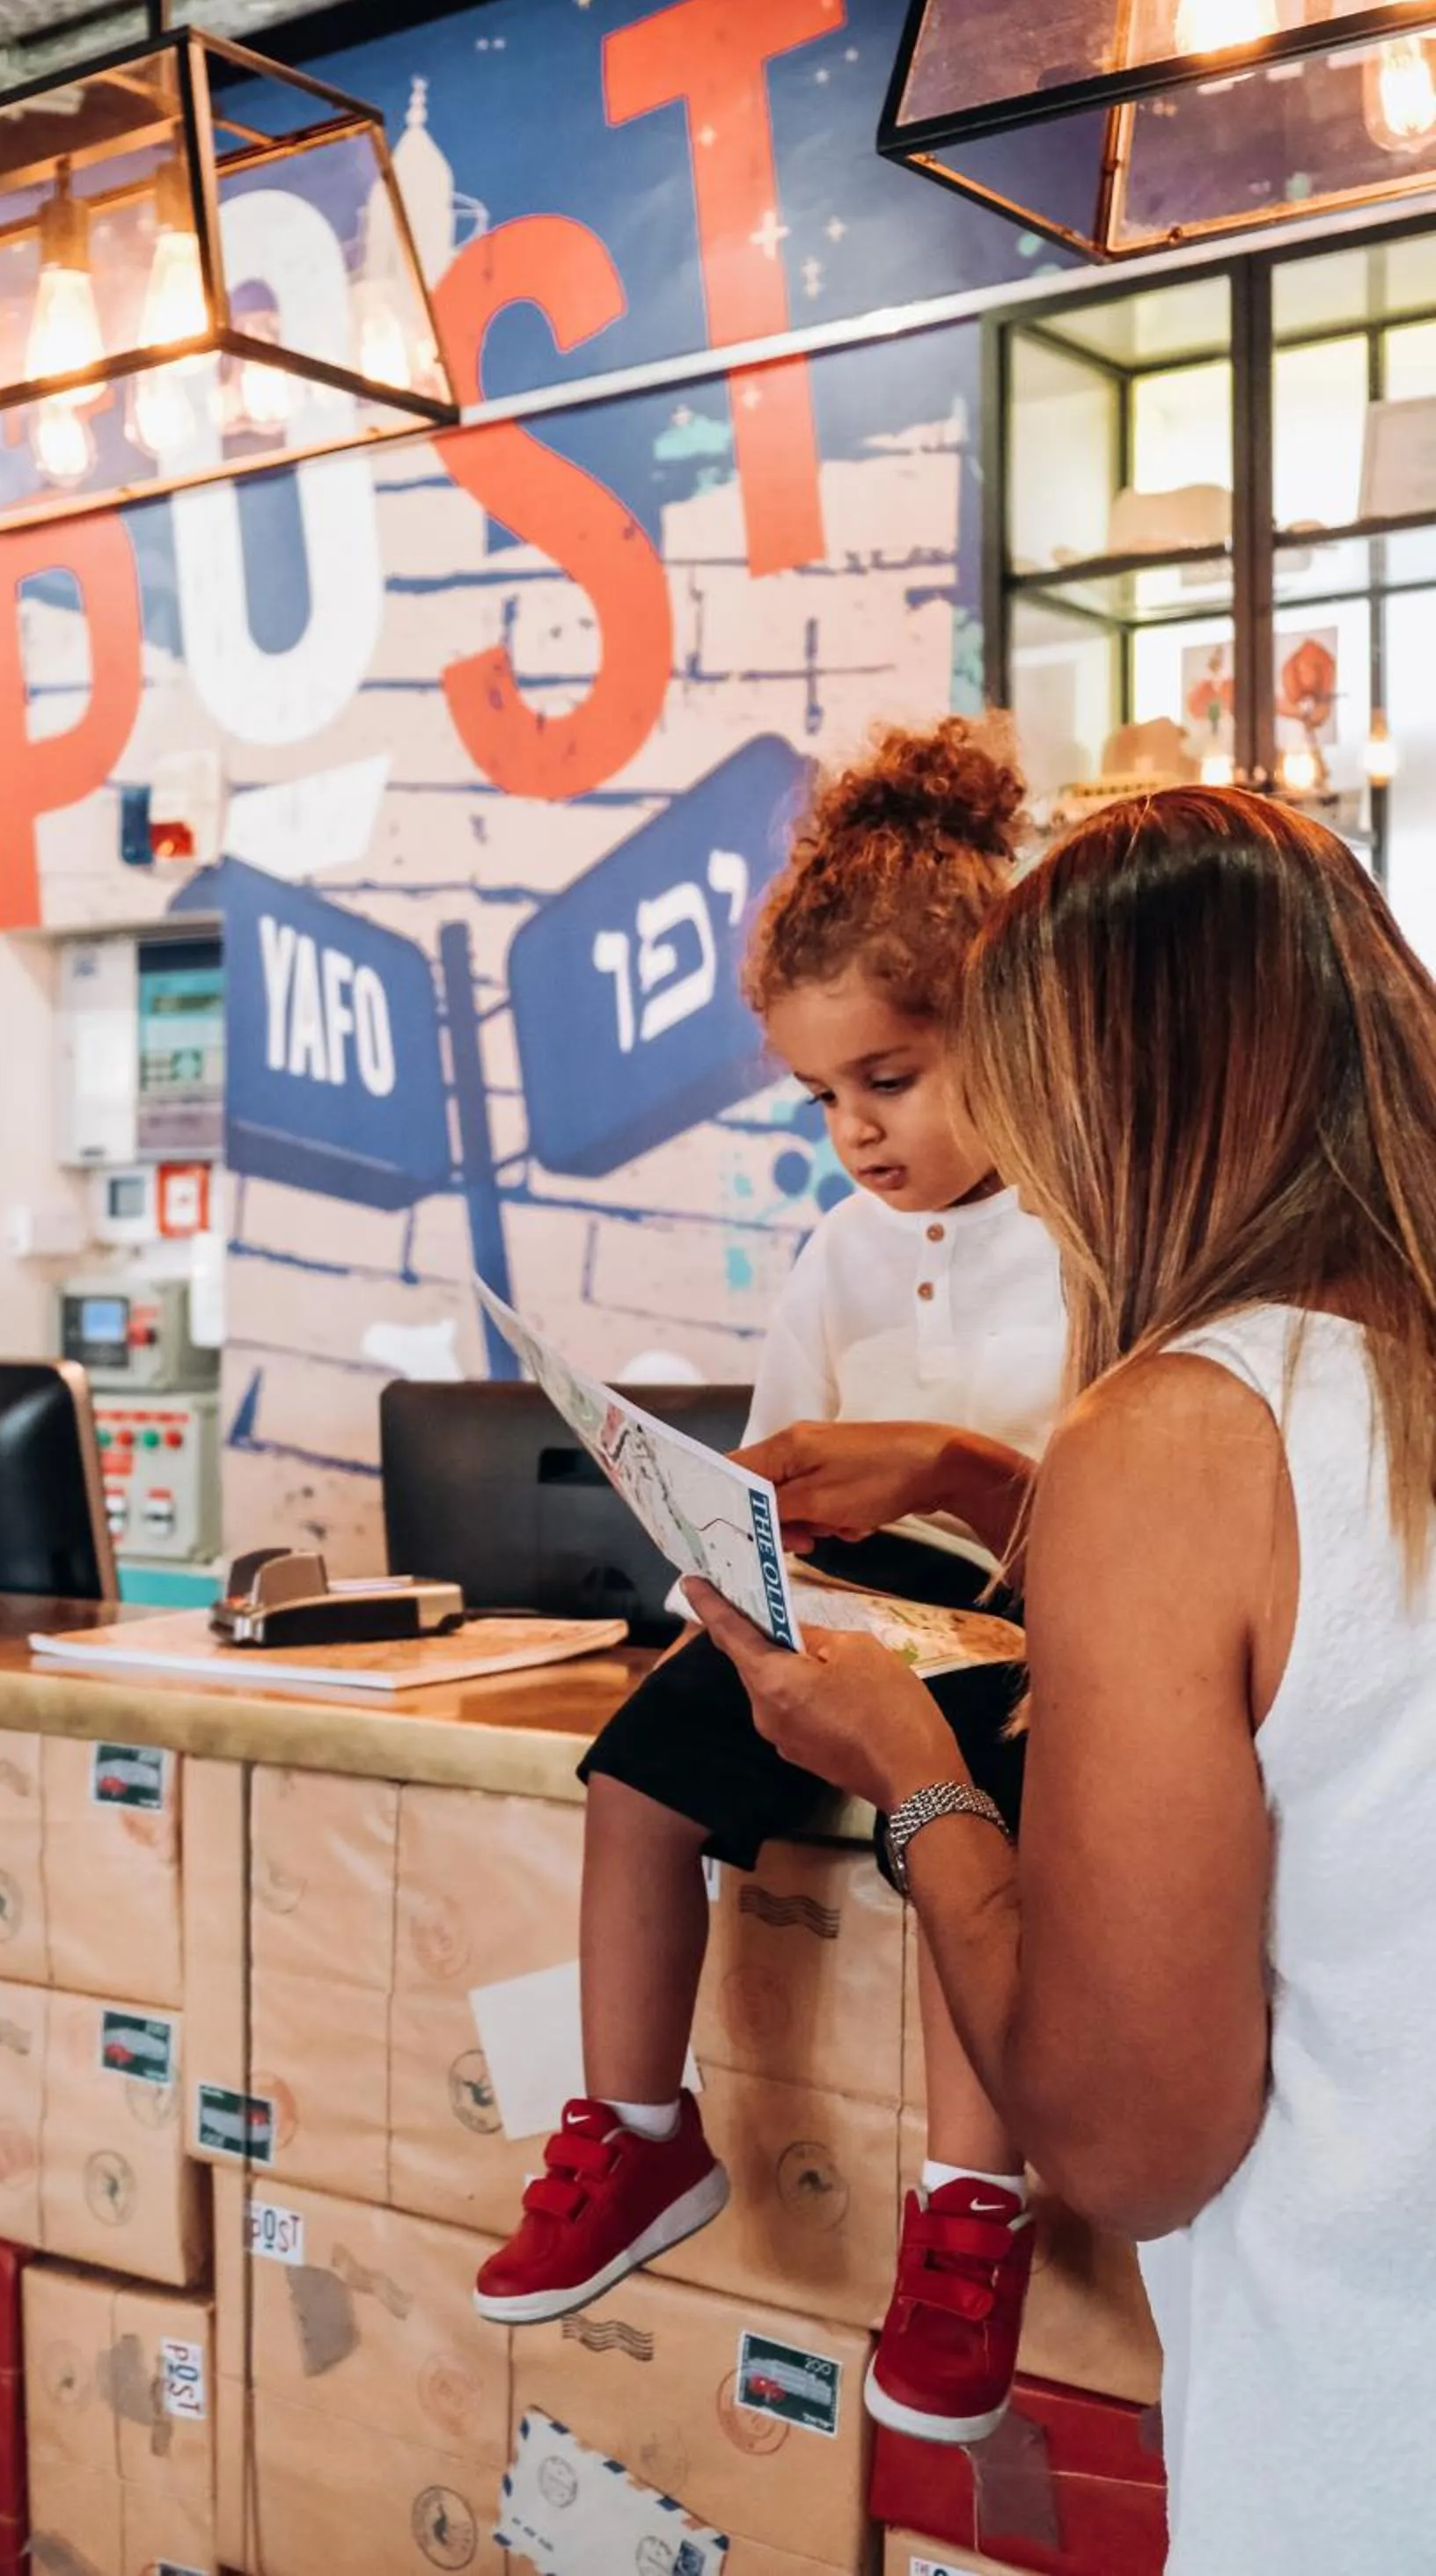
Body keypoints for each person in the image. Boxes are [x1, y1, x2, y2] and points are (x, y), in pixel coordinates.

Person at [689, 783, 1436, 2570]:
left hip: (1358, 2435)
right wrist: (976, 1481)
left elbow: (1123, 2138)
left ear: (1104, 1085)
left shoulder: (1182, 1426)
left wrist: (913, 1781)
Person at [474, 719, 1067, 2445]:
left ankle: (971, 2201)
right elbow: (787, 1465)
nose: (855, 1133)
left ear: (1007, 1028)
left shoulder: (1101, 1226)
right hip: (861, 1611)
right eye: (822, 1098)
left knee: (986, 1804)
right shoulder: (835, 1255)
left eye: (888, 1077)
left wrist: (959, 1475)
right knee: (640, 1768)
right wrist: (752, 1534)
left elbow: (1138, 1544)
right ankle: (636, 2132)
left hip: (1036, 1635)